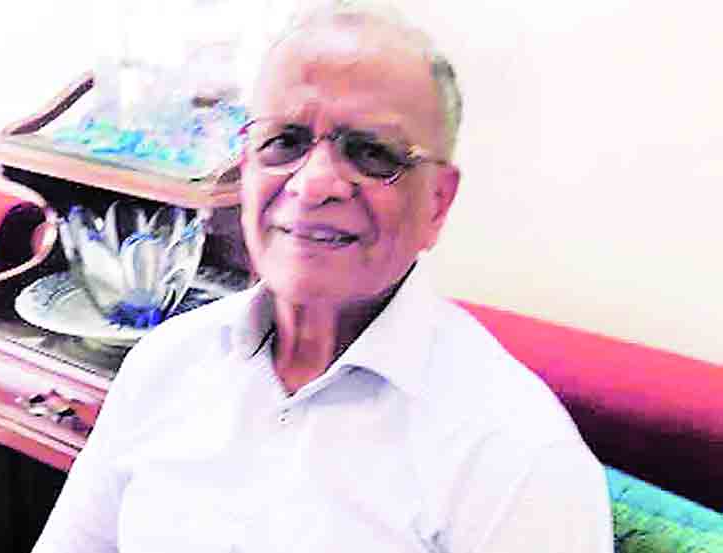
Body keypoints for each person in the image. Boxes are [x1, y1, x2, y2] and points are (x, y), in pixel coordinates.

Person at [32, 2, 613, 552]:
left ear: (438, 201)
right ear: (245, 165)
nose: (312, 185)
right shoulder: (164, 363)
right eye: (284, 142)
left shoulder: (518, 457)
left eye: (372, 153)